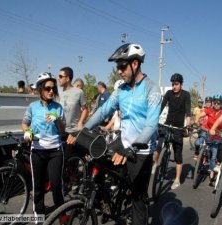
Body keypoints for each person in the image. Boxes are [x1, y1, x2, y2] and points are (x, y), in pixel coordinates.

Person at [83, 43, 161, 225]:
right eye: (117, 67)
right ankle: (105, 201)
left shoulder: (152, 89)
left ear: (135, 64)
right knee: (96, 161)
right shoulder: (121, 90)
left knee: (138, 198)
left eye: (122, 66)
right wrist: (83, 130)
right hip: (122, 142)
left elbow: (151, 125)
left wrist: (132, 148)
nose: (118, 71)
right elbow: (103, 112)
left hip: (141, 150)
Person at [21, 72, 66, 217]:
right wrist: (27, 132)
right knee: (38, 186)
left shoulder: (58, 107)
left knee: (56, 185)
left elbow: (62, 129)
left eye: (53, 88)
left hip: (55, 151)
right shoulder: (33, 107)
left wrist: (57, 119)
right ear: (40, 89)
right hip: (37, 151)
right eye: (48, 88)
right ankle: (38, 215)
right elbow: (25, 123)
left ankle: (62, 215)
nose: (51, 91)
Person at [160, 73, 191, 190]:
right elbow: (162, 106)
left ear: (181, 84)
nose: (174, 86)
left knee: (178, 154)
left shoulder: (186, 95)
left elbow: (188, 112)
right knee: (159, 143)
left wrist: (187, 126)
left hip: (178, 127)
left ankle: (177, 179)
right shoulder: (168, 93)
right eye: (173, 84)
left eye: (176, 84)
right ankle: (157, 164)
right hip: (168, 124)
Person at [194, 94, 222, 185]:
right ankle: (200, 157)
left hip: (217, 137)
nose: (216, 104)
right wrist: (196, 122)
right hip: (208, 133)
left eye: (218, 103)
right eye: (215, 102)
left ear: (221, 104)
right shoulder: (209, 110)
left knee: (213, 157)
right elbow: (199, 115)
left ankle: (211, 173)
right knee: (202, 146)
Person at [58, 67, 88, 152]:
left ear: (67, 78)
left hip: (73, 132)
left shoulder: (78, 92)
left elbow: (85, 109)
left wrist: (80, 122)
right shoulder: (58, 92)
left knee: (72, 159)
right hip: (60, 131)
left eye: (60, 76)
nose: (58, 78)